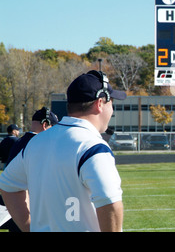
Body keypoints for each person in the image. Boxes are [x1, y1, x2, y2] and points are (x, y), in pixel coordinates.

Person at [0, 70, 126, 232]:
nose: (112, 110)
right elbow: (110, 203)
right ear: (100, 103)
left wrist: (28, 227)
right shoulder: (93, 147)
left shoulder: (35, 142)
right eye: (112, 102)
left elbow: (8, 186)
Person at [0, 107, 59, 232]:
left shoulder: (20, 141)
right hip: (27, 206)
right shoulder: (38, 143)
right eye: (53, 127)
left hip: (14, 202)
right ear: (45, 125)